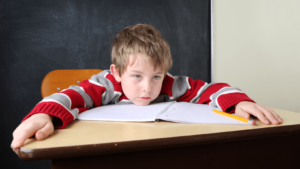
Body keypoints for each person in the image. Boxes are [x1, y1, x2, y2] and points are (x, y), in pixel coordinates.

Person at [11, 24, 282, 150]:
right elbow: (70, 95)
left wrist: (238, 102)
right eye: (137, 76)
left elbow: (209, 89)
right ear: (117, 72)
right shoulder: (106, 84)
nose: (148, 88)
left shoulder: (169, 84)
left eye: (156, 76)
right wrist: (43, 114)